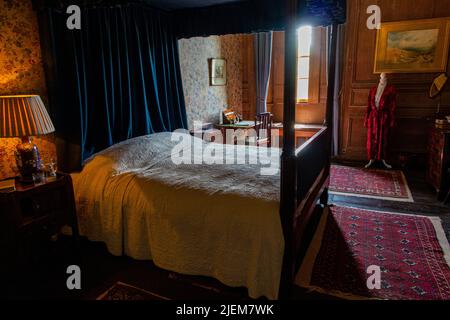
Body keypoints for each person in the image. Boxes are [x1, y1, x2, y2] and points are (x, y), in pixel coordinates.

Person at [364, 72, 397, 169]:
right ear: (379, 78)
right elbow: (368, 105)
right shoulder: (373, 89)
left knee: (383, 138)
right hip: (373, 117)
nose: (383, 79)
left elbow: (392, 106)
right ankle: (371, 158)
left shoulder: (391, 90)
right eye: (381, 77)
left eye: (384, 77)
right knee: (371, 138)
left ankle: (382, 158)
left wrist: (391, 120)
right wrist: (366, 118)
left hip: (383, 117)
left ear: (386, 79)